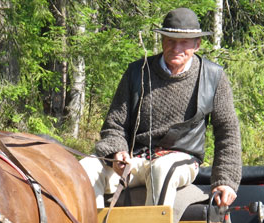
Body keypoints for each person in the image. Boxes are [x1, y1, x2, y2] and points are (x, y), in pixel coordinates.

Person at [80, 8, 242, 212]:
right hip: (134, 159)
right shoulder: (135, 73)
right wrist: (117, 151)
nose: (176, 48)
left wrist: (225, 180)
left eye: (184, 42)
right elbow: (114, 125)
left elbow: (228, 133)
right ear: (162, 40)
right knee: (85, 168)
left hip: (181, 160)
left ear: (197, 44)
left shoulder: (214, 77)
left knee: (162, 168)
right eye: (170, 40)